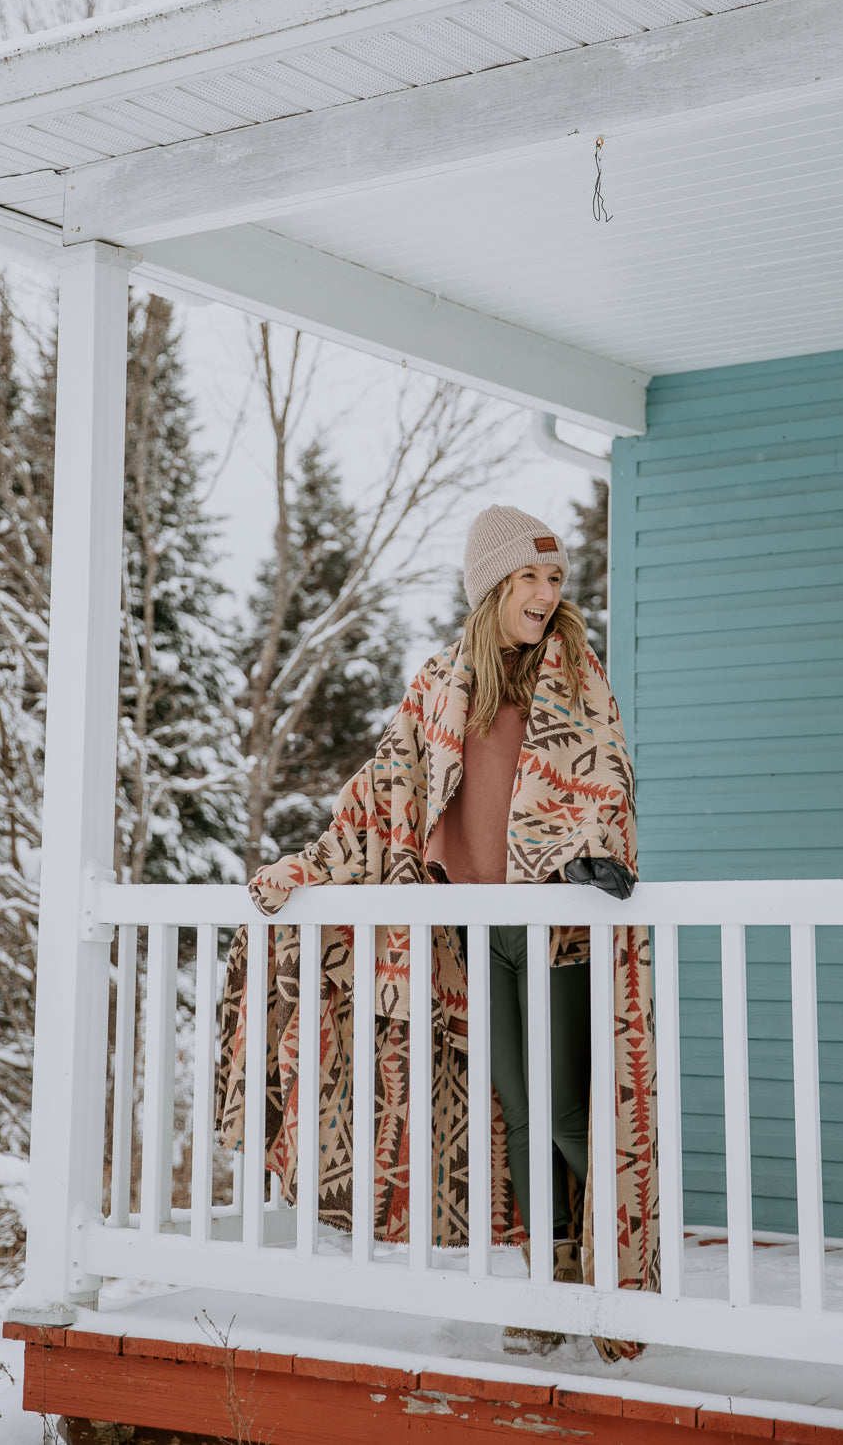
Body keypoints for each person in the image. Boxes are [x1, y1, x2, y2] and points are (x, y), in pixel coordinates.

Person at [217, 505, 658, 1363]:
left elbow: (601, 777)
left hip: (557, 925)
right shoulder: (441, 686)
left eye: (555, 577)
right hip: (472, 930)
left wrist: (588, 854)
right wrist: (303, 869)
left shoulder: (575, 674)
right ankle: (547, 1288)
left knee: (574, 1108)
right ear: (490, 587)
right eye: (528, 577)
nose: (545, 592)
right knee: (522, 1112)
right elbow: (379, 796)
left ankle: (620, 1281)